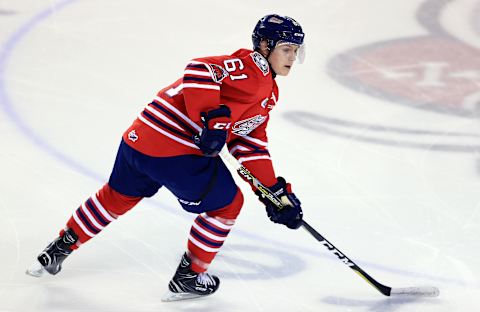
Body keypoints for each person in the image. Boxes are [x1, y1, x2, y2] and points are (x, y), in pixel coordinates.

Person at [26, 14, 305, 301]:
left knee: (117, 196)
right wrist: (211, 118)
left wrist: (271, 190)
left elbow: (248, 141)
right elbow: (199, 69)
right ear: (264, 45)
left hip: (138, 141)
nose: (292, 57)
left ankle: (59, 248)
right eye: (286, 49)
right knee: (228, 204)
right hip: (175, 150)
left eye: (296, 50)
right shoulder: (251, 68)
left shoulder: (267, 92)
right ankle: (189, 277)